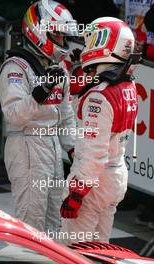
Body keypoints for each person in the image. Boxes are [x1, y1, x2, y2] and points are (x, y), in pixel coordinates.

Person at [0, 0, 77, 234]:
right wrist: (38, 96)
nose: (63, 42)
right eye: (59, 36)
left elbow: (66, 114)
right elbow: (12, 115)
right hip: (26, 145)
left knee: (54, 222)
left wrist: (72, 148)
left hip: (51, 146)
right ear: (40, 33)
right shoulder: (15, 67)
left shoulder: (58, 68)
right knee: (31, 222)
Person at [60, 17, 139, 244]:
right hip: (115, 176)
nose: (86, 48)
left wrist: (77, 193)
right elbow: (93, 110)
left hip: (93, 181)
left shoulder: (99, 95)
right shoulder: (128, 83)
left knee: (75, 251)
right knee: (100, 247)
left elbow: (94, 151)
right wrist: (79, 85)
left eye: (89, 42)